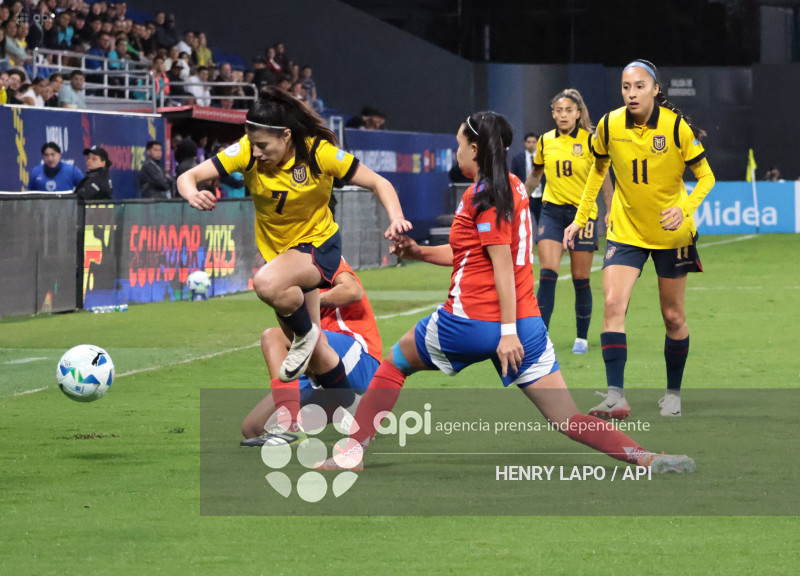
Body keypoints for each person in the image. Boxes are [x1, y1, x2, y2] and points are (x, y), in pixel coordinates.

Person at [317, 111, 695, 475]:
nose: (456, 151)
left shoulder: (483, 195)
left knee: (395, 363)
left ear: (475, 149)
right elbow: (469, 254)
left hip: (472, 322)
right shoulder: (513, 186)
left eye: (459, 144)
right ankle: (644, 457)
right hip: (527, 327)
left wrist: (506, 332)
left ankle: (352, 453)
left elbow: (501, 266)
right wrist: (418, 252)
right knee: (569, 418)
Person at [177, 86, 410, 442]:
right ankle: (308, 413)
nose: (256, 152)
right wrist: (192, 192)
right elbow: (187, 176)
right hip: (286, 261)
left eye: (263, 145)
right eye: (252, 144)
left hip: (319, 247)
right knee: (264, 404)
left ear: (286, 136)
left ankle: (310, 345)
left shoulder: (319, 153)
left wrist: (396, 218)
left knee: (266, 284)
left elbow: (379, 182)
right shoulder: (247, 151)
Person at [564, 60, 715, 419]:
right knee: (613, 304)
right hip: (626, 230)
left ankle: (673, 394)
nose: (631, 93)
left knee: (673, 316)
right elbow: (598, 169)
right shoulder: (609, 125)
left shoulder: (676, 127)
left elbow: (706, 177)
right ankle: (616, 396)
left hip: (670, 234)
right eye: (626, 87)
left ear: (655, 89)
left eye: (639, 86)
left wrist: (685, 208)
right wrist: (581, 218)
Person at [240, 257, 383, 445]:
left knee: (272, 337)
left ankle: (290, 424)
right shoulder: (280, 277)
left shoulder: (318, 254)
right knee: (253, 428)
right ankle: (355, 411)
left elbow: (352, 291)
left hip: (358, 351)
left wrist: (311, 302)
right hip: (319, 356)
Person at [525, 89, 613, 355]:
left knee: (580, 279)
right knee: (547, 275)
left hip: (582, 216)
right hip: (551, 213)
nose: (563, 115)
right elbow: (535, 175)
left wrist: (610, 209)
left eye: (568, 111)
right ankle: (540, 340)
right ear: (553, 114)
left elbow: (603, 177)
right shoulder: (545, 141)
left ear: (577, 113)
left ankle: (581, 338)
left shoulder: (591, 141)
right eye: (559, 111)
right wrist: (518, 201)